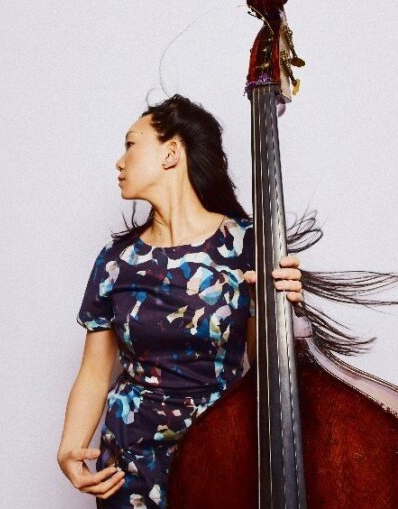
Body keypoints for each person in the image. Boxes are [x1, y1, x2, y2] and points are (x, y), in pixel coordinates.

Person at [57, 94, 305, 508]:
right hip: (129, 465)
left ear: (171, 152)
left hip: (221, 454)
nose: (120, 161)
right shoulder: (116, 261)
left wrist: (279, 304)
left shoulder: (247, 244)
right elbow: (95, 372)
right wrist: (70, 446)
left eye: (131, 144)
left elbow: (263, 367)